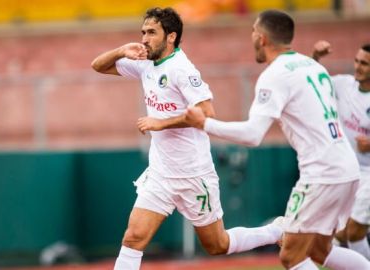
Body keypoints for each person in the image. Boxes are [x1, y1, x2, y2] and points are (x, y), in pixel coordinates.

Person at [91, 7, 283, 270]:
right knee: (133, 237)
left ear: (171, 37)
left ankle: (275, 232)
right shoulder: (145, 63)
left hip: (194, 174)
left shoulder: (182, 69)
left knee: (217, 245)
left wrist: (161, 123)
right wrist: (122, 50)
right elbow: (98, 66)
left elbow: (207, 113)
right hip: (161, 173)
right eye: (143, 32)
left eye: (152, 32)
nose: (145, 38)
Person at [182, 10, 370, 269]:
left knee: (291, 255)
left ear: (261, 38)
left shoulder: (274, 75)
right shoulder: (312, 65)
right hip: (347, 170)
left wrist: (203, 123)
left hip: (321, 174)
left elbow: (252, 135)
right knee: (320, 251)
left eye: (252, 33)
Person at [312, 41, 370, 260]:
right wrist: (316, 56)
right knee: (341, 235)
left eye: (364, 63)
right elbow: (313, 80)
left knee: (354, 232)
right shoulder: (344, 85)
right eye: (357, 61)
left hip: (368, 174)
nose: (358, 66)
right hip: (346, 172)